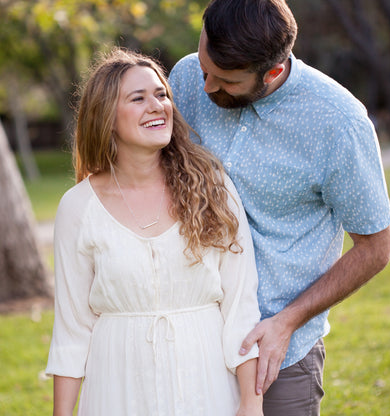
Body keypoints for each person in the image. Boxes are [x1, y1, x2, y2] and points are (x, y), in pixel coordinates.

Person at [168, 0, 390, 414]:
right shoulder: (184, 77)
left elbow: (375, 248)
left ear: (272, 71)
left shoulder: (340, 124)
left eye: (226, 81)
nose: (205, 88)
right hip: (189, 332)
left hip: (275, 350)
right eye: (205, 68)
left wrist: (288, 321)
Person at [45, 47, 264, 416]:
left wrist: (251, 404)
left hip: (207, 385)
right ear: (106, 117)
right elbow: (71, 332)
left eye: (162, 94)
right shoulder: (78, 207)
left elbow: (240, 306)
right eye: (138, 98)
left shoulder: (212, 186)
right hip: (117, 390)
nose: (157, 105)